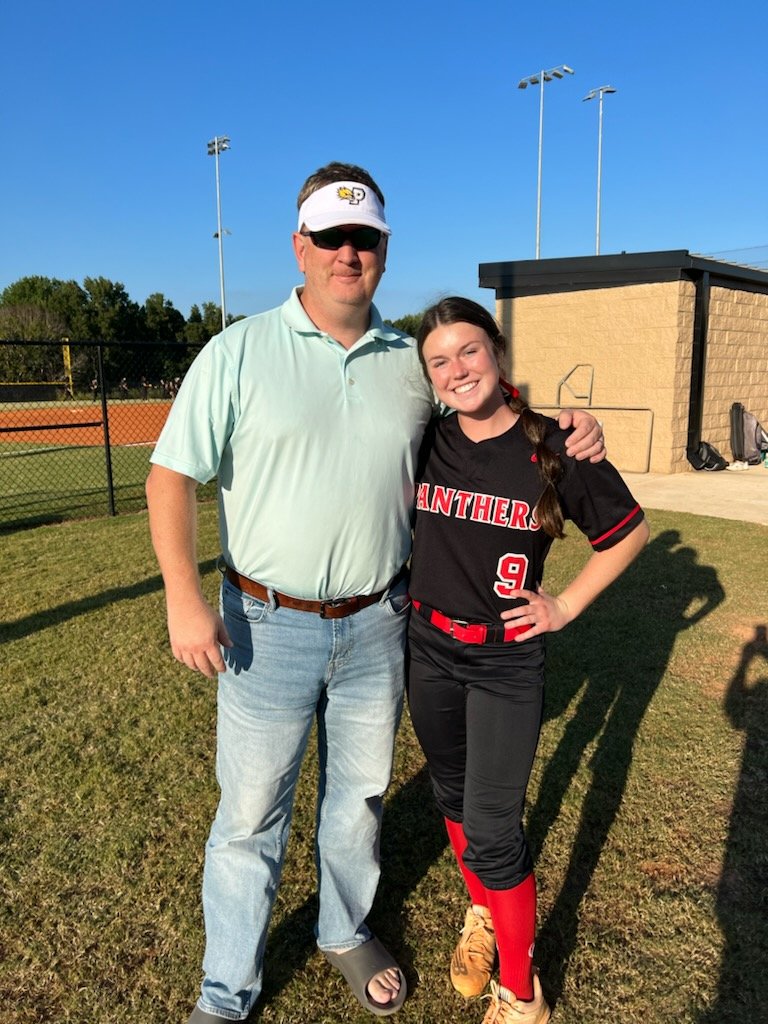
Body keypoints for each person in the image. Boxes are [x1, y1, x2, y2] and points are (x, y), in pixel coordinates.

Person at [145, 163, 605, 1023]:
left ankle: (344, 929)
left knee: (356, 802)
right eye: (330, 237)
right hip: (263, 626)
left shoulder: (410, 362)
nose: (346, 253)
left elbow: (490, 410)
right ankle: (226, 989)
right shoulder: (239, 350)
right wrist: (182, 596)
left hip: (379, 625)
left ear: (384, 251)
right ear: (300, 247)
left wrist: (571, 425)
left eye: (364, 238)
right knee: (250, 818)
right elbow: (169, 475)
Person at [406, 297, 649, 1024]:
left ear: (499, 354)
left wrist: (565, 607)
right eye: (439, 360)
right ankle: (481, 912)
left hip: (506, 661)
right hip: (427, 647)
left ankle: (522, 994)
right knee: (451, 797)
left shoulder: (553, 445)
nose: (457, 370)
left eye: (469, 351)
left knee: (493, 826)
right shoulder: (426, 439)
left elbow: (628, 534)